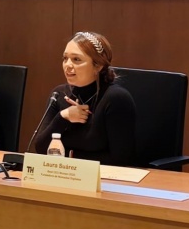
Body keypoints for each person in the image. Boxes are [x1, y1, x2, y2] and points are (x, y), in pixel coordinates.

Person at [34, 31, 137, 165]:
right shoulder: (59, 94)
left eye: (76, 59)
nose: (67, 65)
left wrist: (69, 155)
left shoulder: (116, 98)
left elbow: (120, 159)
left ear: (98, 66)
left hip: (104, 176)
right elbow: (41, 148)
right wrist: (63, 117)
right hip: (62, 174)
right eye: (65, 58)